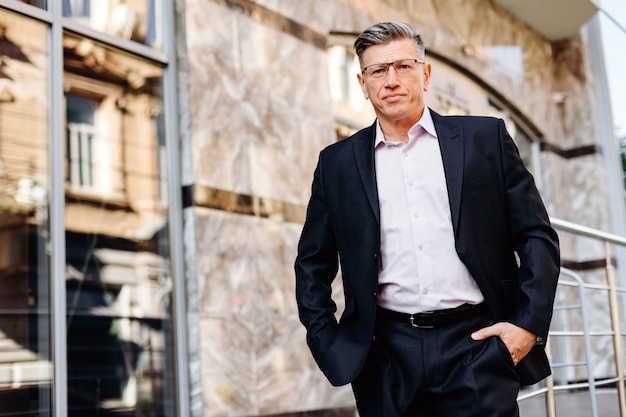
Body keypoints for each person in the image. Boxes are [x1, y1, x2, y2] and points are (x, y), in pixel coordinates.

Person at [294, 21, 560, 417]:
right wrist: (327, 340)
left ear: (426, 73)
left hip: (476, 345)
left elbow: (537, 236)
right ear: (363, 84)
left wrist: (526, 326)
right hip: (385, 356)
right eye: (377, 71)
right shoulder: (336, 164)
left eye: (403, 66)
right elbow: (312, 263)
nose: (391, 80)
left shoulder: (484, 139)